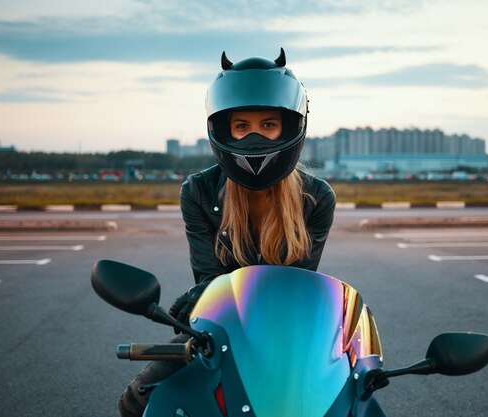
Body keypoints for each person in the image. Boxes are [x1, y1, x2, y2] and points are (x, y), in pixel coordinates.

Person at [118, 48, 336, 417]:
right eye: (242, 126)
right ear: (224, 130)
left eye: (268, 125)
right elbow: (209, 277)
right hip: (220, 325)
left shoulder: (316, 198)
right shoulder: (198, 192)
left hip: (285, 327)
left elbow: (300, 287)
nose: (255, 136)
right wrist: (201, 292)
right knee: (138, 399)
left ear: (290, 126)